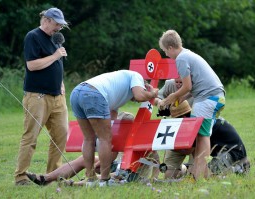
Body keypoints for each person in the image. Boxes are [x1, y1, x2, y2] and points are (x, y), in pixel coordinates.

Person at [69, 70, 159, 186]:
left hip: (76, 92)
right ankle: (105, 180)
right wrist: (153, 94)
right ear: (143, 86)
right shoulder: (137, 76)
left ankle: (91, 179)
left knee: (88, 138)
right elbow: (140, 95)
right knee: (105, 138)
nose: (136, 101)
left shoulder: (116, 94)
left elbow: (112, 123)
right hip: (95, 94)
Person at [158, 29, 226, 179]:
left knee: (202, 136)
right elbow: (194, 86)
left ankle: (199, 173)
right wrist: (183, 98)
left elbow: (187, 85)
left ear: (170, 47)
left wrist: (171, 98)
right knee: (203, 134)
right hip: (215, 96)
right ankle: (204, 173)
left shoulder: (181, 59)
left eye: (165, 51)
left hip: (208, 98)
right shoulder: (188, 54)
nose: (165, 55)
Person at [14, 8, 70, 185]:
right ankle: (21, 177)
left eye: (61, 25)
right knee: (31, 137)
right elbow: (32, 65)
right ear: (46, 20)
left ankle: (52, 175)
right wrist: (55, 56)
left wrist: (61, 84)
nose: (59, 28)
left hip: (57, 97)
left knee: (61, 134)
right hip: (37, 97)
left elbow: (57, 66)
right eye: (56, 24)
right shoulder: (33, 36)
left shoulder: (55, 40)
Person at [26, 112, 156, 186]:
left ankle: (75, 184)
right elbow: (110, 160)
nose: (120, 130)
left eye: (124, 127)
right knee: (84, 159)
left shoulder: (140, 141)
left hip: (130, 175)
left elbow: (153, 160)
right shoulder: (120, 138)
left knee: (112, 175)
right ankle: (46, 178)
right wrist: (97, 166)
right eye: (120, 127)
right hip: (118, 168)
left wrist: (153, 178)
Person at [162, 101, 250, 179]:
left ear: (184, 116)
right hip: (233, 150)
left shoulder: (196, 124)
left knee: (206, 175)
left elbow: (189, 150)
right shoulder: (199, 117)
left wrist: (170, 146)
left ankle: (237, 167)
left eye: (178, 119)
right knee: (200, 172)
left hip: (232, 152)